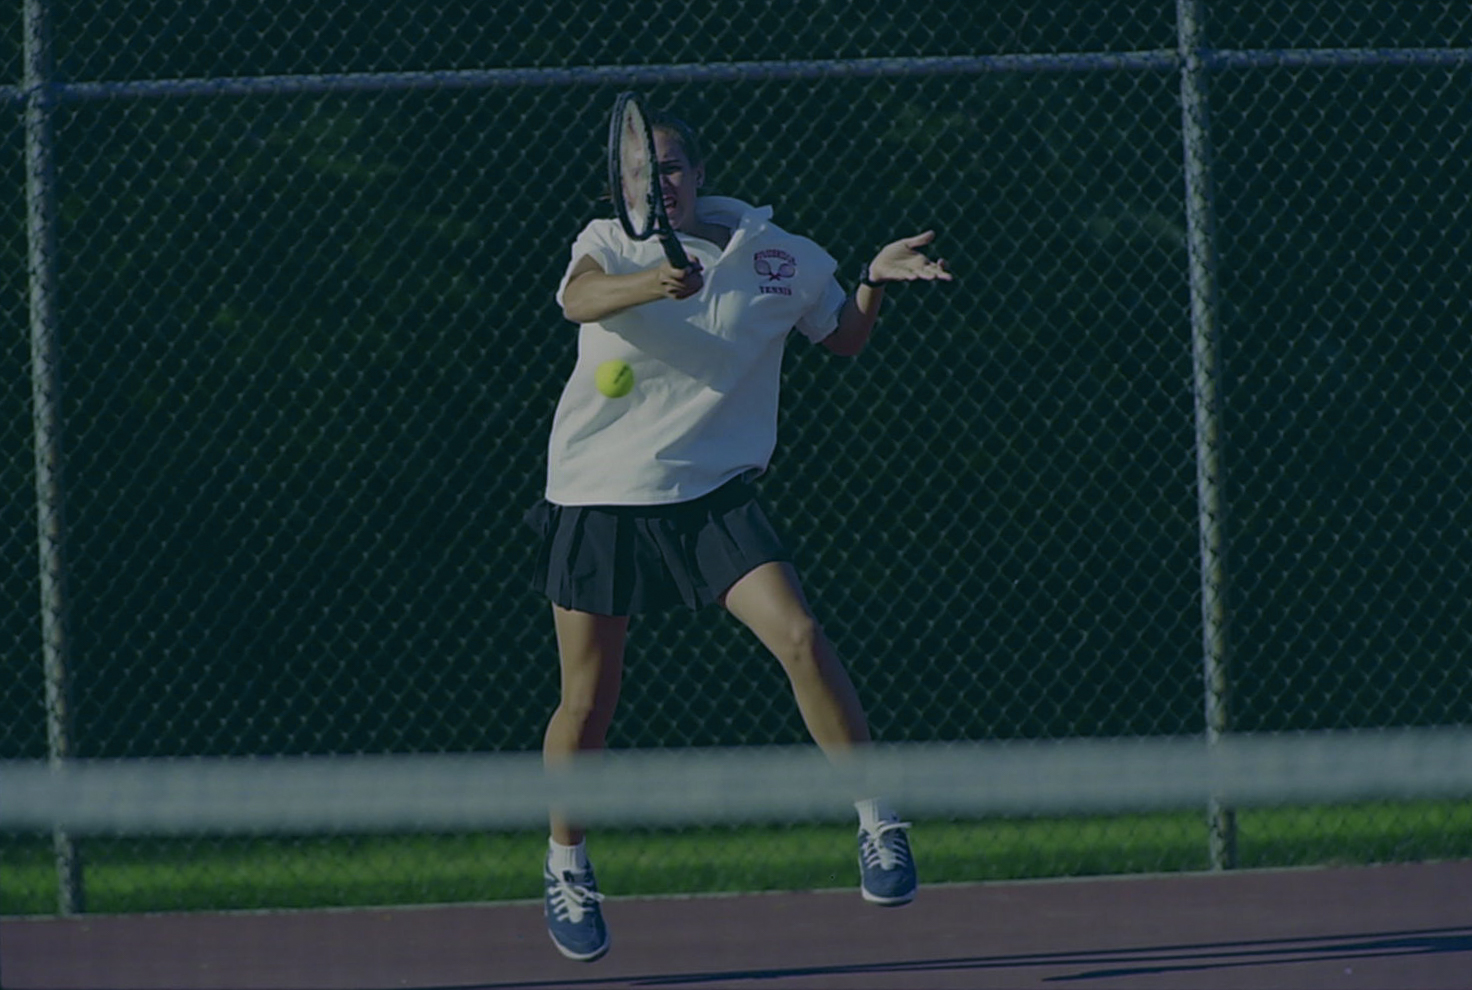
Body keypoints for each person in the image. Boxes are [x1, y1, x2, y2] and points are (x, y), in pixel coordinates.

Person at [526, 106, 953, 963]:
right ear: (620, 188)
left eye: (670, 168)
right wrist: (652, 284)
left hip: (713, 496)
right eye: (641, 174)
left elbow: (844, 337)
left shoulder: (777, 257)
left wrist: (871, 276)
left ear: (698, 174)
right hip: (599, 494)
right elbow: (577, 299)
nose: (658, 185)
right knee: (588, 703)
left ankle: (878, 821)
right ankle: (566, 864)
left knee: (799, 634)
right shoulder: (607, 243)